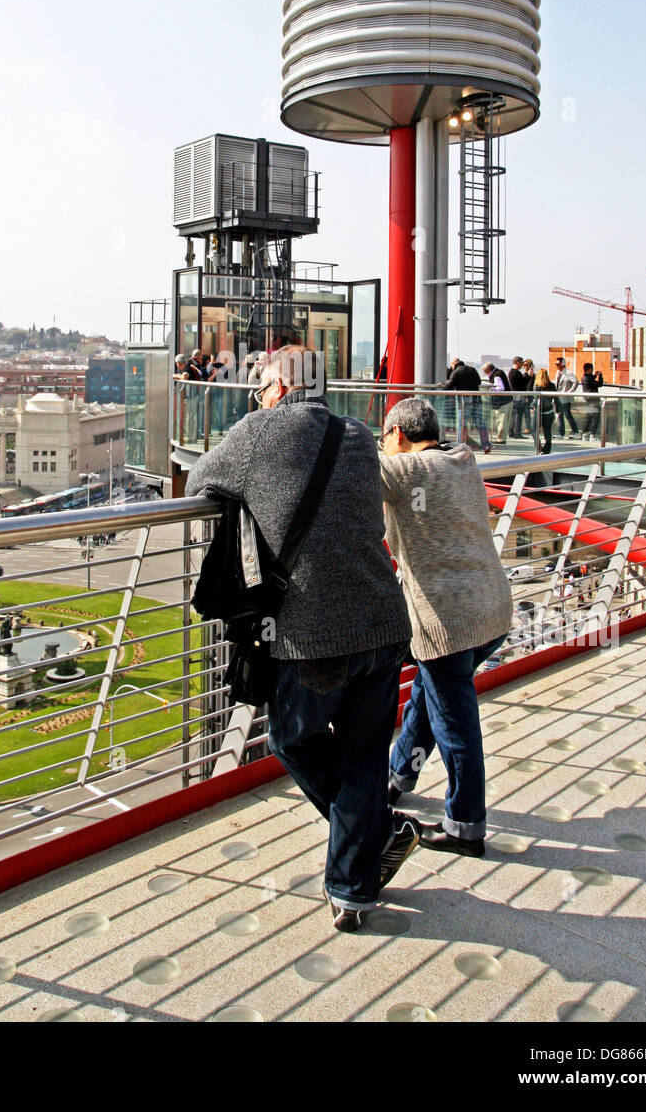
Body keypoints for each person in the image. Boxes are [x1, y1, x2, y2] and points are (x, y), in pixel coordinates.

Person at [185, 345, 416, 931]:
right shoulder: (361, 435)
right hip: (383, 622)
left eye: (259, 388)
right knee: (365, 756)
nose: (257, 398)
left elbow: (197, 479)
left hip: (315, 631)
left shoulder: (260, 432)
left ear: (280, 390)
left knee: (291, 736)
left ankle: (372, 844)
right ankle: (353, 884)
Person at [378, 398, 513, 855]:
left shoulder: (402, 472)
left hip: (448, 624)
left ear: (397, 434)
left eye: (384, 437)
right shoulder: (463, 460)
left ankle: (465, 826)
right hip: (491, 611)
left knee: (456, 727)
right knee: (428, 696)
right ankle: (398, 776)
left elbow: (352, 463)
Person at [443, 358, 490, 453]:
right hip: (476, 399)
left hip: (464, 401)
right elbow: (479, 382)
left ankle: (460, 445)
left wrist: (441, 385)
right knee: (480, 423)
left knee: (462, 423)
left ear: (454, 364)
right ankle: (486, 445)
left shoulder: (455, 372)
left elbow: (448, 386)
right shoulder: (472, 369)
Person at [483, 362, 512, 443]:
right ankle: (502, 438)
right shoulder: (499, 372)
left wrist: (490, 388)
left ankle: (501, 439)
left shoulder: (496, 375)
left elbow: (500, 388)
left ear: (488, 370)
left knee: (501, 421)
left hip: (502, 402)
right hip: (508, 400)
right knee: (504, 421)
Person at [553, 357, 579, 437]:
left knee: (567, 414)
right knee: (560, 414)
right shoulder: (558, 373)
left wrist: (570, 392)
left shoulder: (568, 373)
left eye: (558, 364)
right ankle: (561, 432)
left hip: (565, 398)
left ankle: (575, 431)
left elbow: (576, 382)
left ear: (563, 364)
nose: (556, 365)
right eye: (556, 364)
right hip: (558, 396)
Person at [533, 367, 556, 453]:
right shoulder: (552, 385)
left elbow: (535, 399)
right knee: (547, 432)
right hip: (549, 412)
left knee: (534, 431)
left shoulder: (537, 386)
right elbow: (556, 399)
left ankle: (539, 449)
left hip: (539, 412)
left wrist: (532, 405)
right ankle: (546, 450)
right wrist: (558, 410)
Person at [580, 362, 602, 441]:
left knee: (589, 417)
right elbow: (599, 384)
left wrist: (595, 376)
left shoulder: (584, 377)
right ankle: (592, 435)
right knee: (595, 417)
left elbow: (591, 380)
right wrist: (600, 376)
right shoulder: (588, 378)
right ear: (589, 369)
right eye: (592, 369)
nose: (593, 370)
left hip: (588, 399)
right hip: (593, 399)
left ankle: (585, 435)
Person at [508, 356, 528, 438]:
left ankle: (512, 432)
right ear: (518, 362)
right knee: (518, 415)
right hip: (518, 397)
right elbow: (523, 384)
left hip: (514, 397)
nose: (523, 365)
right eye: (522, 363)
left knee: (514, 415)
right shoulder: (517, 373)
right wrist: (528, 375)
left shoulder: (511, 372)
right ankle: (517, 433)